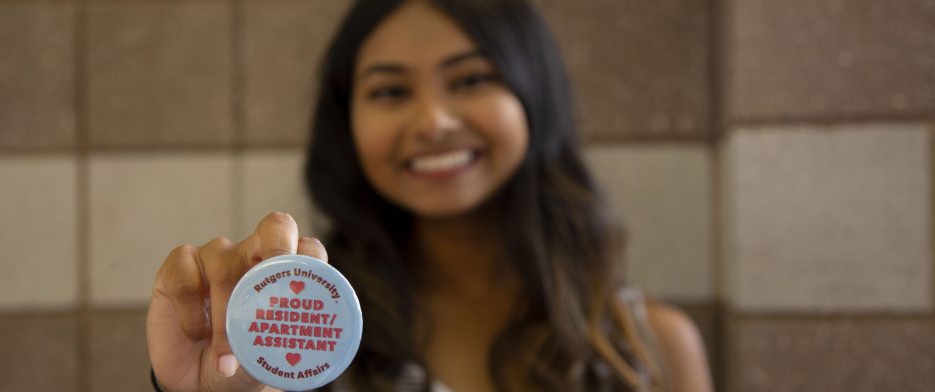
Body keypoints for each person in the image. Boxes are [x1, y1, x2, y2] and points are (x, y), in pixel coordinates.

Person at [146, 0, 713, 391]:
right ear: (347, 127)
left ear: (534, 99)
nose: (434, 121)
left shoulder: (649, 347)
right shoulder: (292, 341)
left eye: (469, 80)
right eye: (390, 90)